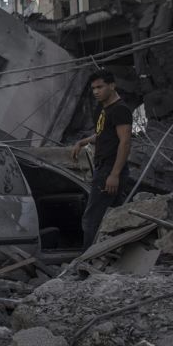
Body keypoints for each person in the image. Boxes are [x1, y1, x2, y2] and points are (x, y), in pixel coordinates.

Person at [71, 69, 133, 249]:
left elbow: (125, 142)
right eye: (93, 88)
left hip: (110, 169)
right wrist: (83, 142)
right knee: (115, 215)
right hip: (104, 168)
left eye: (100, 87)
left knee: (92, 218)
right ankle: (110, 256)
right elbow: (103, 135)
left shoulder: (120, 110)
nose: (96, 91)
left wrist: (114, 174)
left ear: (112, 86)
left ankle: (87, 259)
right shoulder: (104, 109)